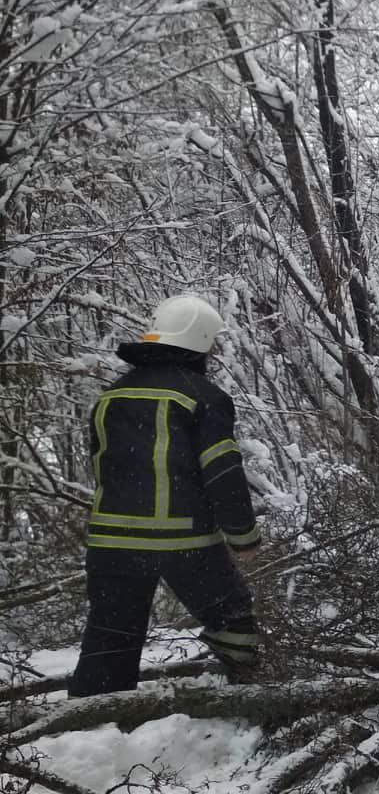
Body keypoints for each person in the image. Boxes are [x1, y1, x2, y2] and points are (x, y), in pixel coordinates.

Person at [67, 296, 263, 696]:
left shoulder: (111, 395)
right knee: (233, 616)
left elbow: (105, 465)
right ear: (201, 342)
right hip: (182, 539)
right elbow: (223, 473)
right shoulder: (203, 397)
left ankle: (92, 719)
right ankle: (250, 697)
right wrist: (242, 536)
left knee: (111, 635)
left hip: (110, 541)